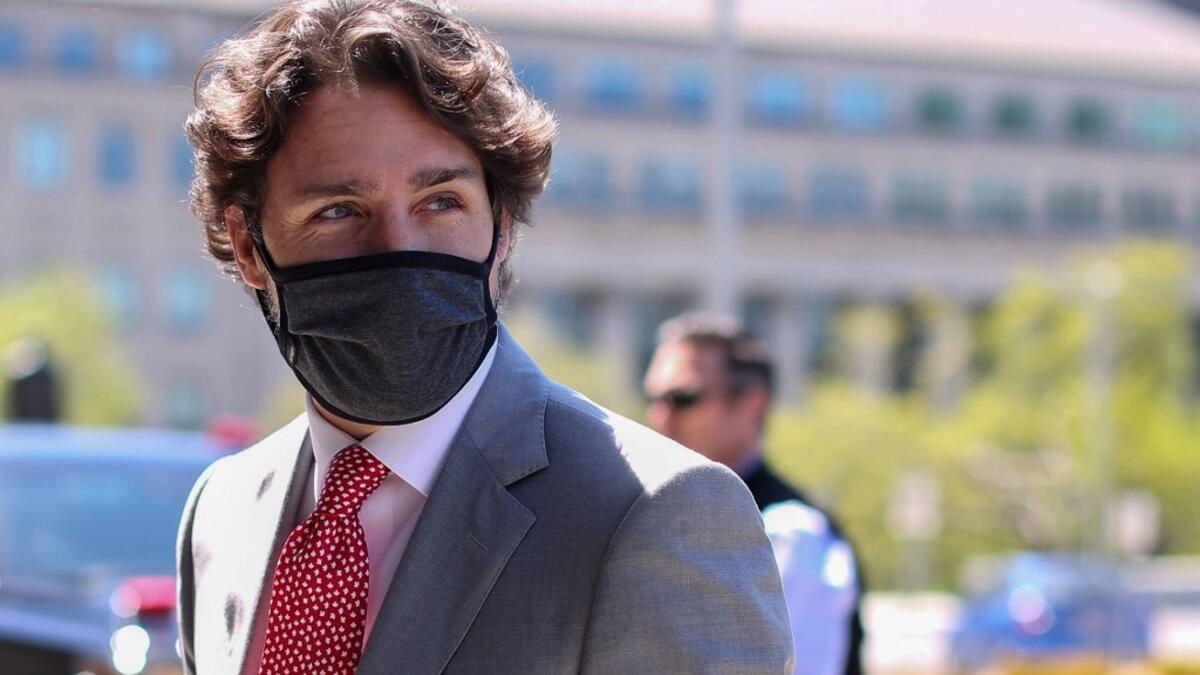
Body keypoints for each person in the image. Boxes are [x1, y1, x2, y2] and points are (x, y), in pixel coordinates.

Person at [174, 1, 792, 674]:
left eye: (441, 202)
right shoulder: (223, 510)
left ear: (500, 224)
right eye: (339, 210)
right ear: (249, 244)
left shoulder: (659, 513)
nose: (398, 248)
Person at [644, 312, 866, 675]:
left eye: (683, 398)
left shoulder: (792, 531)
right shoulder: (661, 516)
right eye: (653, 397)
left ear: (752, 406)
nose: (660, 416)